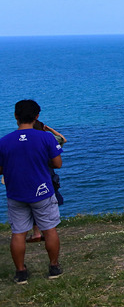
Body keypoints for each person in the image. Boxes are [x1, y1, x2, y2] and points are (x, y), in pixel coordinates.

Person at [0, 100, 64, 284]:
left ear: (15, 116)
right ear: (37, 116)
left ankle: (21, 273)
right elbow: (57, 164)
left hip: (16, 193)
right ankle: (53, 267)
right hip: (42, 191)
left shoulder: (4, 141)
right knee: (49, 230)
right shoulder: (45, 138)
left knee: (18, 233)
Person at [26, 120, 67, 243]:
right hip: (49, 176)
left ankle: (36, 233)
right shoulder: (49, 141)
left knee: (33, 204)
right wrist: (49, 129)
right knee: (50, 203)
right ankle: (49, 230)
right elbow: (62, 139)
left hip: (31, 177)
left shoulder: (27, 143)